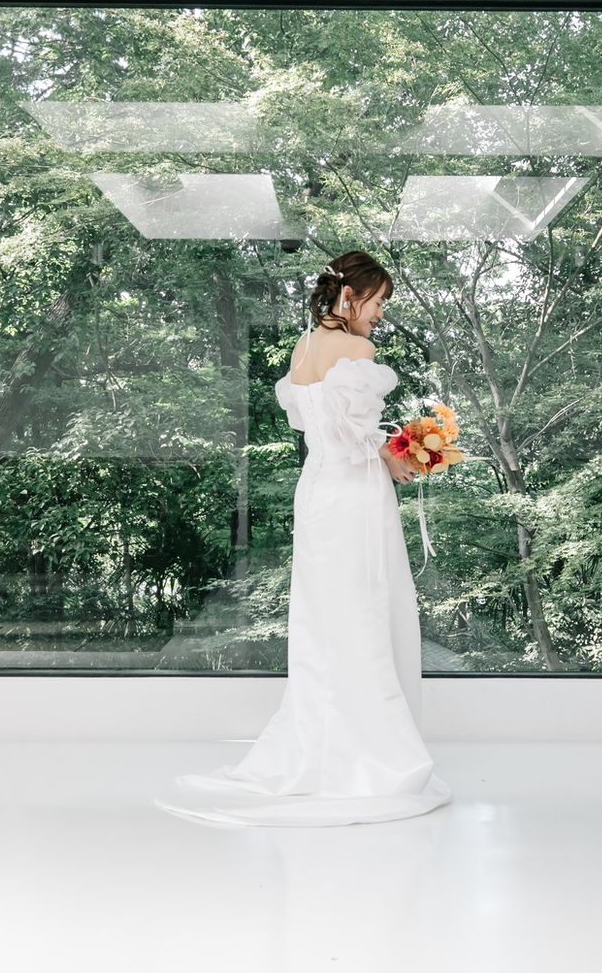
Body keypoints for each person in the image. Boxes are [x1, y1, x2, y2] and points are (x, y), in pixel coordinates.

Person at [155, 250, 452, 827]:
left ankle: (322, 747)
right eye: (378, 301)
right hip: (356, 493)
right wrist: (404, 456)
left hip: (317, 492)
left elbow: (323, 430)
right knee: (365, 609)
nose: (381, 313)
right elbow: (359, 440)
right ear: (350, 297)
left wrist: (392, 447)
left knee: (326, 616)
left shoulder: (303, 347)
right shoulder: (358, 353)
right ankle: (373, 756)